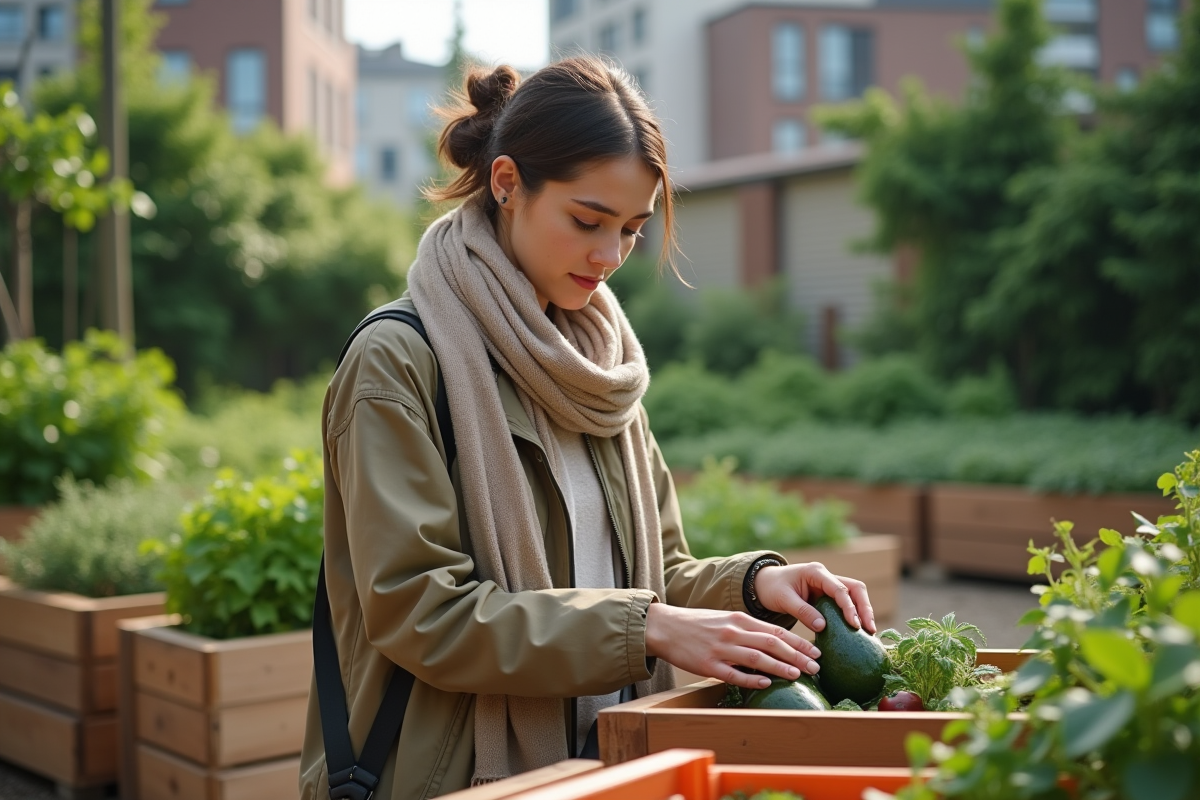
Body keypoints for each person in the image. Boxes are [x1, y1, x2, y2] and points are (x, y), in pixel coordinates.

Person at [299, 55, 875, 800]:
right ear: (506, 184)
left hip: (609, 771)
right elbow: (423, 612)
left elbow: (652, 574)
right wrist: (648, 630)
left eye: (633, 229)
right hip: (450, 779)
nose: (609, 257)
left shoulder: (598, 369)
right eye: (587, 220)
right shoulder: (400, 363)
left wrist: (756, 585)